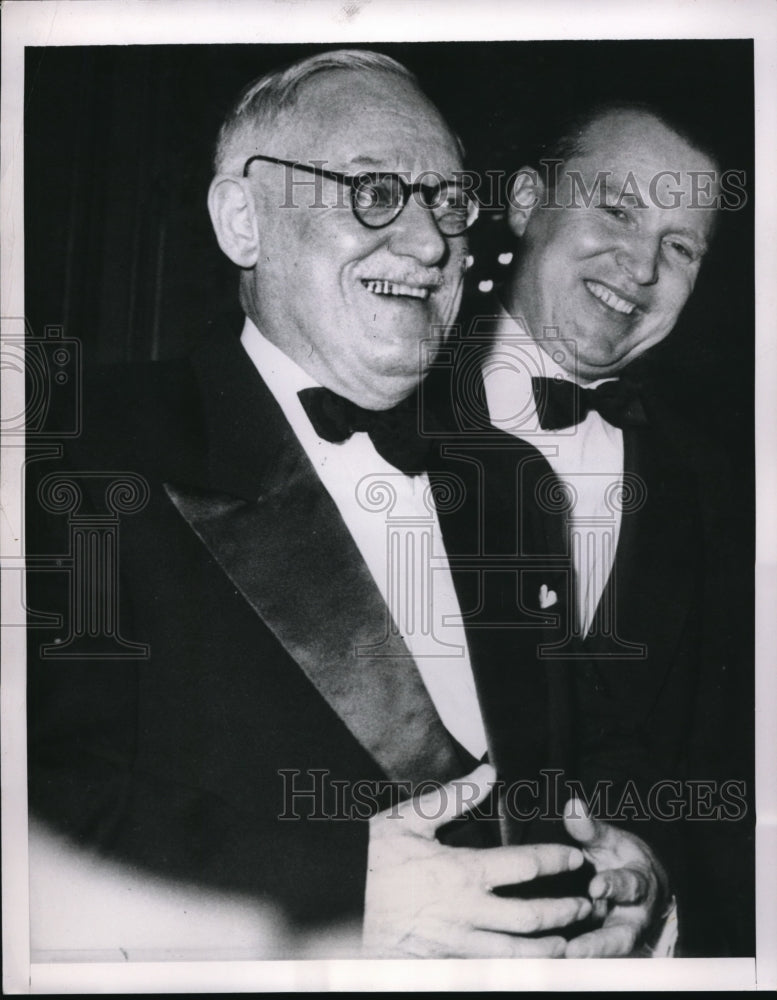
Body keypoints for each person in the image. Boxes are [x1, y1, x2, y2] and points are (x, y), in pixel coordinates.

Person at [26, 54, 678, 960]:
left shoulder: (513, 483)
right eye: (373, 190)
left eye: (448, 203)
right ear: (242, 220)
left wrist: (636, 861)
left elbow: (587, 739)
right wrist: (339, 887)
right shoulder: (75, 448)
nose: (428, 245)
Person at [440, 101, 753, 955]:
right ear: (528, 200)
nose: (641, 266)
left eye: (680, 247)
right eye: (616, 210)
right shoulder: (381, 403)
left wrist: (658, 894)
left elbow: (721, 776)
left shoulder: (716, 489)